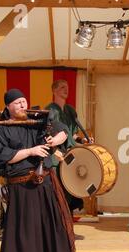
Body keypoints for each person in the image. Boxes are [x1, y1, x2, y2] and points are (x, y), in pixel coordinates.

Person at [0, 89, 81, 252]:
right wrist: (30, 151)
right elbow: (1, 157)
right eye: (17, 103)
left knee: (55, 226)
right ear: (8, 106)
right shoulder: (0, 129)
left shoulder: (39, 120)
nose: (22, 105)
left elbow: (63, 130)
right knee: (26, 231)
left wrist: (55, 140)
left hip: (45, 182)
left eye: (24, 101)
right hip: (21, 186)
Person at [45, 79, 90, 213]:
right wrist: (56, 150)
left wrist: (82, 141)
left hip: (70, 154)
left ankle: (67, 227)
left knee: (69, 189)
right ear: (54, 91)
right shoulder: (50, 110)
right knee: (58, 190)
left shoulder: (70, 110)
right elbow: (49, 134)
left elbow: (73, 134)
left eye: (67, 87)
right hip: (56, 156)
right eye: (62, 87)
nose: (66, 89)